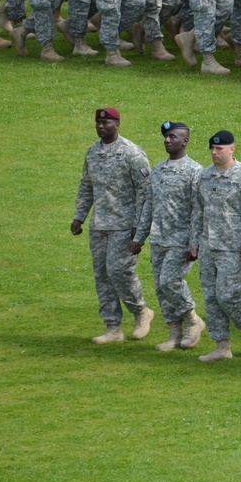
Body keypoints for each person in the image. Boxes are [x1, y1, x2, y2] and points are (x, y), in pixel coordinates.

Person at [71, 108, 153, 344]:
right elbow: (86, 186)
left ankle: (141, 312)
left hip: (124, 225)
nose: (100, 126)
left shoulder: (132, 153)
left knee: (119, 270)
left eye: (106, 122)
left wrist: (139, 226)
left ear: (117, 124)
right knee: (102, 275)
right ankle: (112, 327)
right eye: (98, 122)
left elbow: (145, 192)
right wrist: (80, 216)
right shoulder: (92, 152)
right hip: (100, 225)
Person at [131, 121, 206, 351]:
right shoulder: (158, 170)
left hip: (181, 240)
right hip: (159, 238)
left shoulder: (195, 171)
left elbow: (198, 211)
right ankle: (175, 333)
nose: (167, 140)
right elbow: (149, 206)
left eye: (173, 137)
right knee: (160, 288)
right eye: (165, 136)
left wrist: (194, 243)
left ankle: (193, 320)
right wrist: (139, 237)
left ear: (185, 141)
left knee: (169, 281)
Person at [191, 130, 241, 362]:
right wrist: (194, 241)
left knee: (228, 295)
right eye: (212, 149)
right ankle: (221, 345)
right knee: (211, 297)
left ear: (231, 149)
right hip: (208, 246)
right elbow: (198, 212)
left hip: (233, 248)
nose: (215, 152)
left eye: (219, 148)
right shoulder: (204, 177)